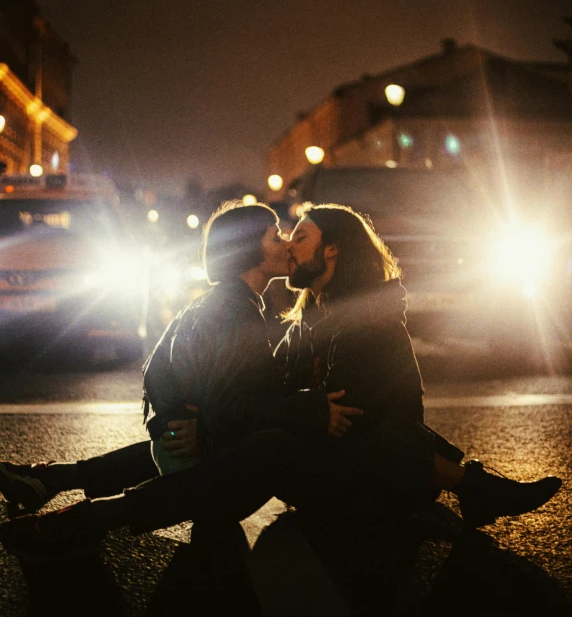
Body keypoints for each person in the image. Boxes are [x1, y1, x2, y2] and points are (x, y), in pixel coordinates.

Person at [0, 203, 561, 574]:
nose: (288, 246)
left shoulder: (369, 326)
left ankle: (78, 512)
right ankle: (61, 491)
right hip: (345, 470)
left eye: (299, 237)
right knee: (225, 438)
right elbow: (262, 400)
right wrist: (230, 415)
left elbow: (377, 426)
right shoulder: (299, 322)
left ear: (333, 251)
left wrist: (282, 415)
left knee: (258, 442)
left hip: (374, 476)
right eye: (280, 237)